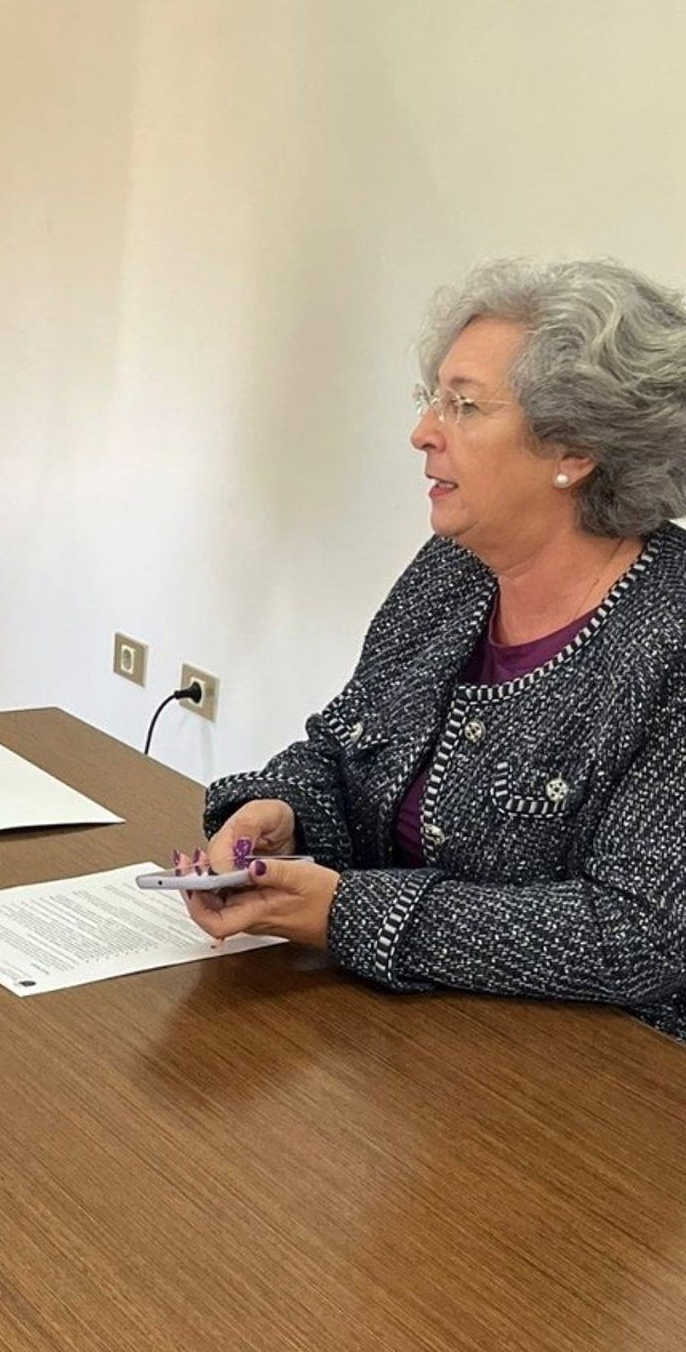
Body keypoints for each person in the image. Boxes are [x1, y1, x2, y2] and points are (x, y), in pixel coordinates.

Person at [181, 257, 686, 1040]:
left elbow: (641, 935)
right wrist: (284, 813)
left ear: (574, 449)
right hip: (401, 1040)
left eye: (464, 406)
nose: (422, 432)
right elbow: (344, 746)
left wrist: (349, 914)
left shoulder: (669, 636)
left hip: (593, 1076)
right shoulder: (451, 572)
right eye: (433, 399)